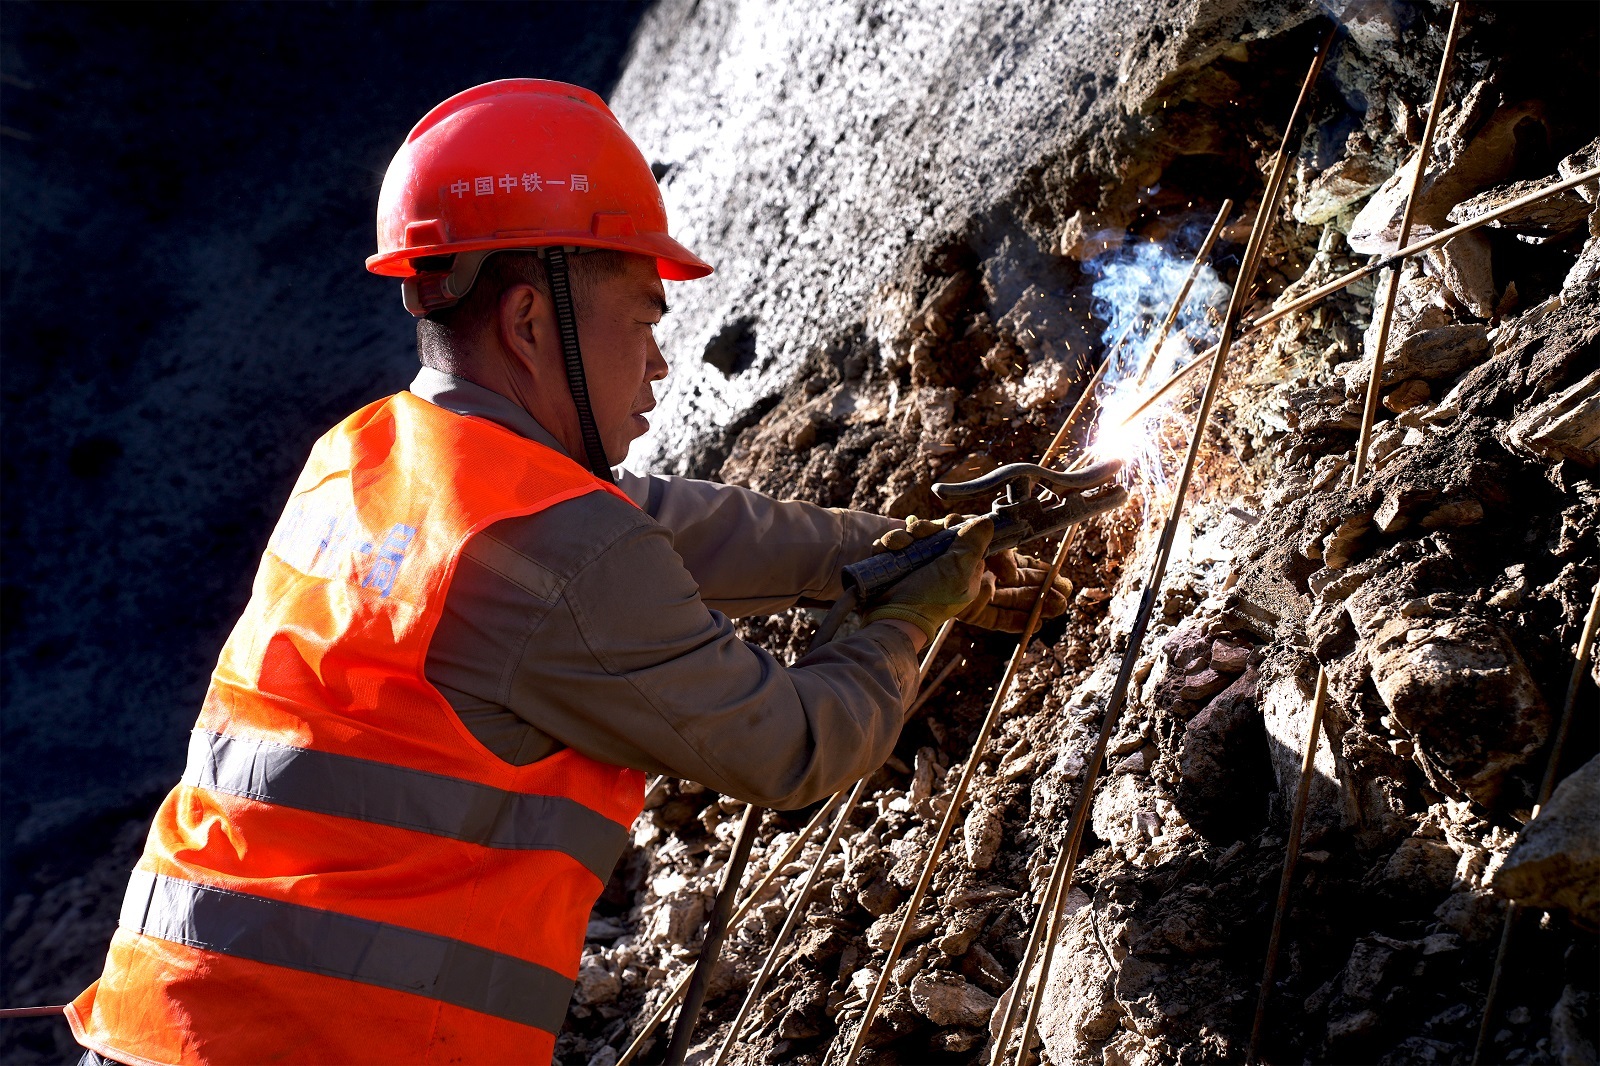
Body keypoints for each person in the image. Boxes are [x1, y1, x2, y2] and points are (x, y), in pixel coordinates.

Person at [66, 79, 1070, 1065]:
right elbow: (792, 748)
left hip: (159, 1021)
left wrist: (884, 546)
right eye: (643, 319)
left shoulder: (365, 458)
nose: (660, 363)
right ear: (530, 324)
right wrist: (910, 614)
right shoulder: (550, 553)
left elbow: (668, 523)